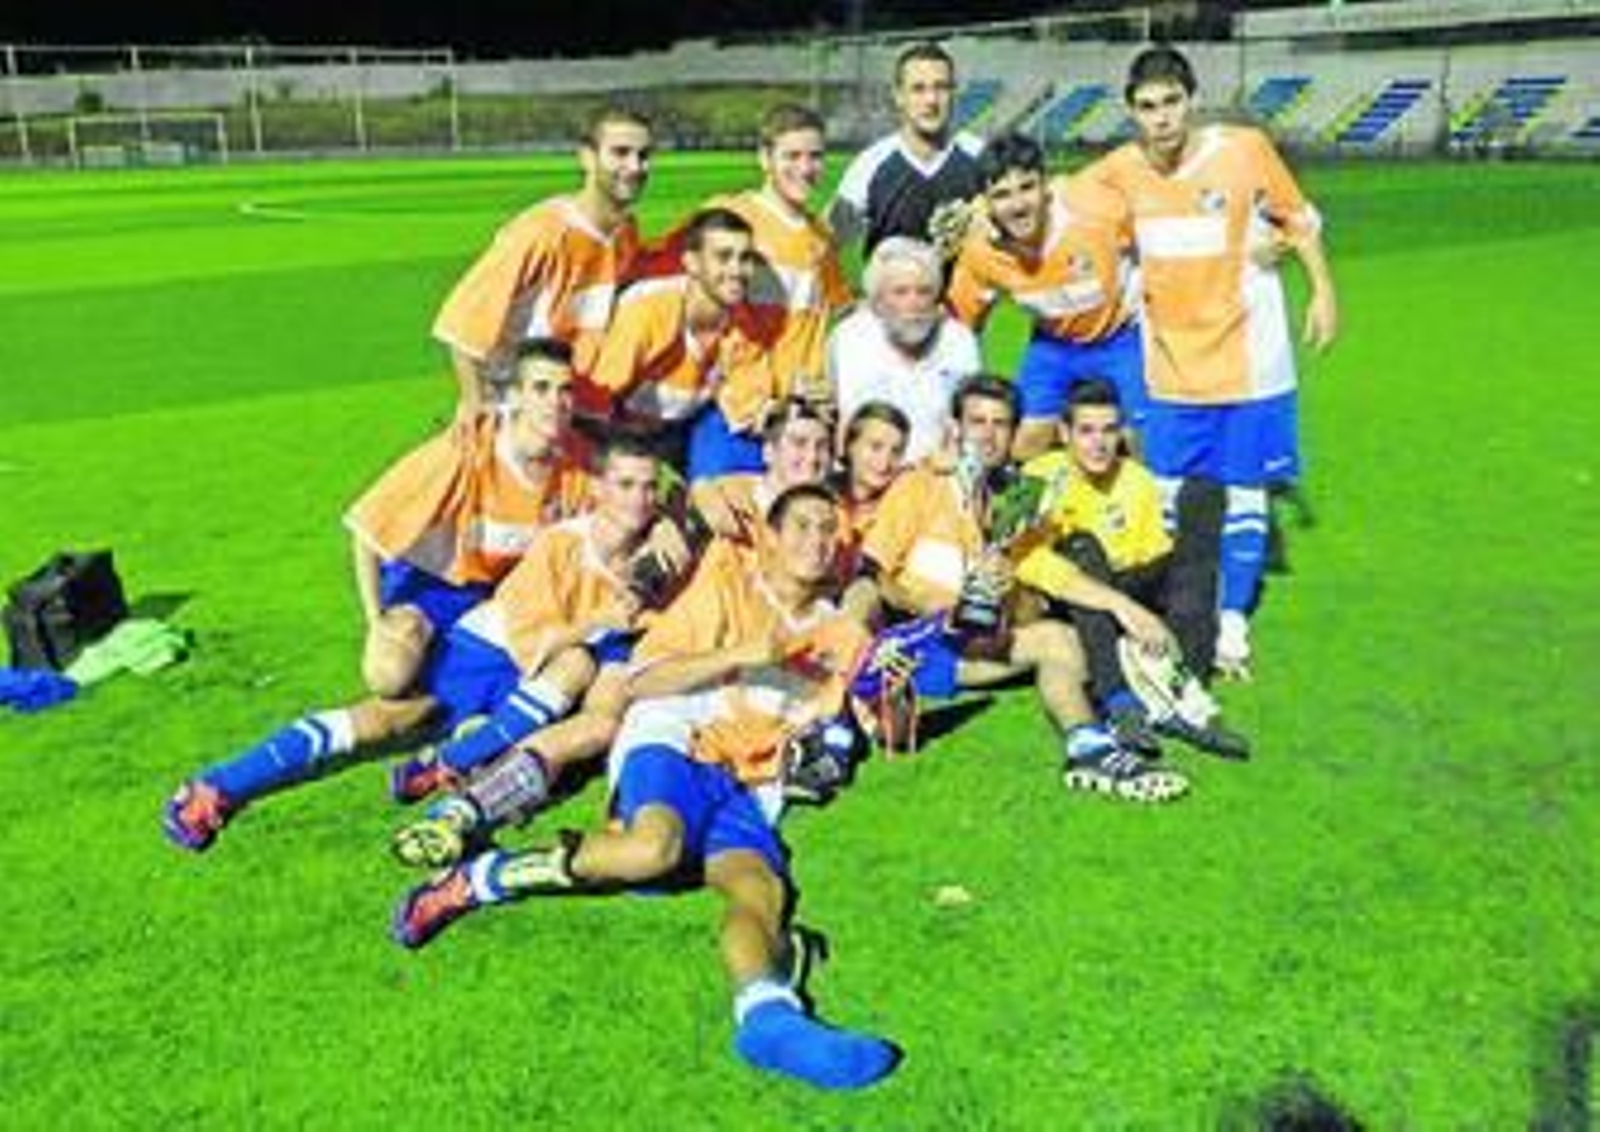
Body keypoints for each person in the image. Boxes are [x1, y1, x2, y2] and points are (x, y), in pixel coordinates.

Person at [390, 485, 899, 1091]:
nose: (816, 541)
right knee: (651, 849)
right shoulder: (727, 582)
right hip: (675, 738)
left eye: (827, 530)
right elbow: (645, 681)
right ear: (772, 534)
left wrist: (887, 689)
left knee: (760, 890)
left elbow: (876, 725)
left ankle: (767, 1018)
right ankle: (477, 879)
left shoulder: (838, 632)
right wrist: (744, 652)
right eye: (803, 527)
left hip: (748, 780)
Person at [162, 437, 671, 853]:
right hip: (490, 651)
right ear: (599, 488)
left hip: (535, 691)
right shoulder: (563, 542)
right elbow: (531, 642)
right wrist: (599, 622)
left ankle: (452, 778)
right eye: (625, 485)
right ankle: (219, 785)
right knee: (390, 716)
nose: (638, 499)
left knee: (573, 700)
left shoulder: (656, 560)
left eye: (650, 488)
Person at [1083, 45, 1339, 678]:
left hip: (1253, 361)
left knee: (1244, 490)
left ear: (1190, 101)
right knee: (1169, 496)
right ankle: (1179, 609)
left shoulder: (1244, 149)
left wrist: (1324, 292)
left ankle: (1230, 624)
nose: (1162, 118)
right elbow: (1059, 207)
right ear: (1131, 113)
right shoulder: (1117, 171)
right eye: (1147, 107)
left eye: (1171, 102)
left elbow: (1300, 221)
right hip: (1171, 364)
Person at [856, 375, 1188, 802]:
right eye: (977, 421)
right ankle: (873, 710)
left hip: (973, 648)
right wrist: (928, 613)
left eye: (1000, 423)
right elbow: (875, 575)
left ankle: (1088, 747)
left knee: (1062, 640)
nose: (988, 434)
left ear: (1014, 434)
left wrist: (1011, 592)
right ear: (956, 427)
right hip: (913, 648)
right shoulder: (919, 485)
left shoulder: (1017, 499)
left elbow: (1039, 594)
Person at [345, 339, 593, 701]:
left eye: (565, 389)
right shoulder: (465, 450)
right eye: (541, 388)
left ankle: (450, 686)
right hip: (434, 583)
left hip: (506, 592)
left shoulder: (581, 463)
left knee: (571, 661)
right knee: (388, 675)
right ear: (517, 396)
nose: (555, 401)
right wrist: (376, 620)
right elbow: (365, 529)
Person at [1015, 379, 1248, 759]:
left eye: (1109, 430)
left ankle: (1185, 689)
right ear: (1064, 433)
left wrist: (1144, 603)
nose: (1099, 443)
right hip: (1071, 593)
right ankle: (1120, 702)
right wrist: (1121, 606)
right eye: (1086, 431)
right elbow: (1025, 560)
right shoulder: (1038, 477)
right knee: (1081, 546)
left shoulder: (1137, 479)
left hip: (1125, 582)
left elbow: (1151, 555)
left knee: (1194, 543)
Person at [657, 103, 852, 477]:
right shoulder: (729, 213)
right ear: (764, 158)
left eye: (814, 157)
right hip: (732, 414)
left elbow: (835, 314)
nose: (805, 168)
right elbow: (667, 276)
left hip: (791, 421)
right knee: (719, 523)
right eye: (791, 156)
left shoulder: (821, 238)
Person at [432, 106, 652, 423]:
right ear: (587, 158)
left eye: (643, 155)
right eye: (620, 153)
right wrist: (475, 404)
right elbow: (461, 324)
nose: (634, 166)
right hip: (515, 404)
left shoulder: (626, 232)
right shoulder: (540, 232)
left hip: (571, 400)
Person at [947, 132, 1146, 459]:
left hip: (1118, 337)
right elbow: (959, 324)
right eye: (1002, 195)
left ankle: (1138, 504)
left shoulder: (1093, 208)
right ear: (985, 202)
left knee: (1138, 441)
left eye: (1027, 187)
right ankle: (1028, 506)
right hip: (1053, 345)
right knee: (1025, 444)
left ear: (1046, 186)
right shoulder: (980, 251)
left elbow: (1153, 217)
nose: (1018, 205)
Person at [584, 207, 775, 478]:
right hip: (619, 434)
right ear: (691, 263)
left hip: (684, 431)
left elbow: (749, 415)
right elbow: (592, 411)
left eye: (745, 258)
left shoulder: (744, 325)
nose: (737, 270)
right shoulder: (647, 310)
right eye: (723, 257)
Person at [827, 237, 981, 463]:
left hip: (937, 475)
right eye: (900, 292)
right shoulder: (849, 338)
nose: (914, 303)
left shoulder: (959, 340)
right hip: (867, 474)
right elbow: (841, 418)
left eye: (924, 292)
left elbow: (972, 423)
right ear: (877, 303)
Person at [829, 41, 984, 261]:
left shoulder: (981, 157)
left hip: (963, 296)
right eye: (918, 89)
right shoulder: (869, 166)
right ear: (898, 96)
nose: (931, 100)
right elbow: (831, 242)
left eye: (941, 87)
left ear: (954, 93)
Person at [690, 397, 835, 547]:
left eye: (822, 446)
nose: (812, 457)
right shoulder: (729, 499)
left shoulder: (838, 522)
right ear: (769, 452)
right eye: (799, 443)